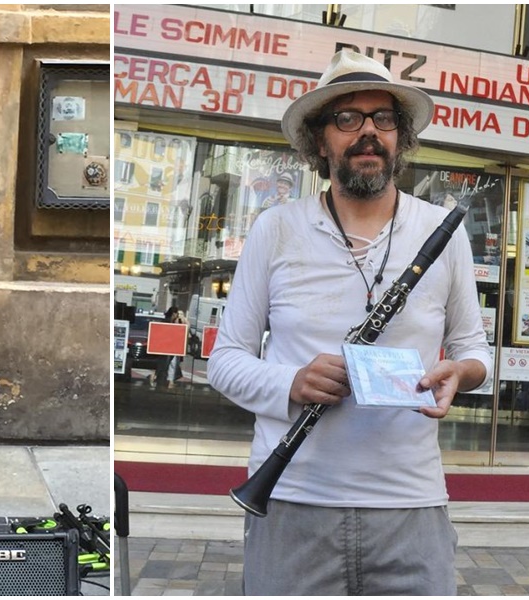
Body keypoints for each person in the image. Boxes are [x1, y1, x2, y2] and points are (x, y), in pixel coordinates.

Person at [206, 49, 490, 595]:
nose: (368, 132)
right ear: (320, 141)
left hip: (410, 506)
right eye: (347, 118)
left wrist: (462, 372)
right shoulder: (276, 228)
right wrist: (291, 382)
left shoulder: (444, 231)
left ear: (400, 137)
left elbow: (475, 350)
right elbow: (225, 361)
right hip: (292, 502)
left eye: (383, 118)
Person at [149, 306, 186, 389]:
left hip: (168, 347)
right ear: (174, 314)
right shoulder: (167, 322)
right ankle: (158, 379)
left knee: (166, 364)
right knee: (164, 365)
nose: (177, 316)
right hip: (166, 347)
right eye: (177, 314)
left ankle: (162, 379)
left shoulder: (172, 322)